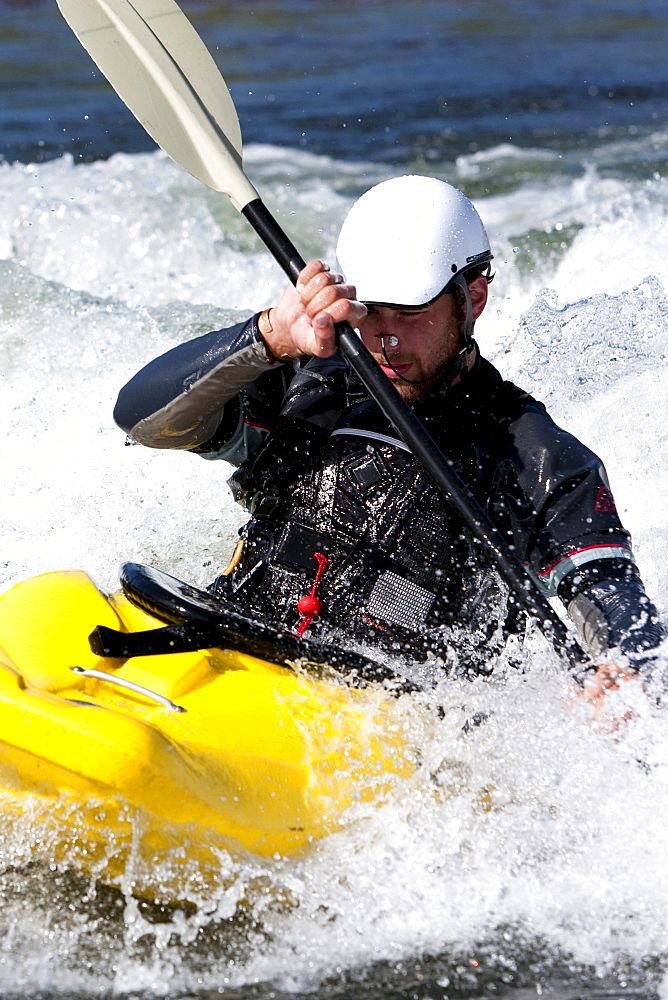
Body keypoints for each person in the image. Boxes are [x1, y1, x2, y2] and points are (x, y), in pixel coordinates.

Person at [114, 175, 664, 694]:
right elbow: (141, 419)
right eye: (371, 311)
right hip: (224, 649)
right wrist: (271, 337)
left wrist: (621, 669)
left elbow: (615, 603)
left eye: (409, 314)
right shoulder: (305, 382)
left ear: (474, 296)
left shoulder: (534, 456)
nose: (387, 339)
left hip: (375, 721)